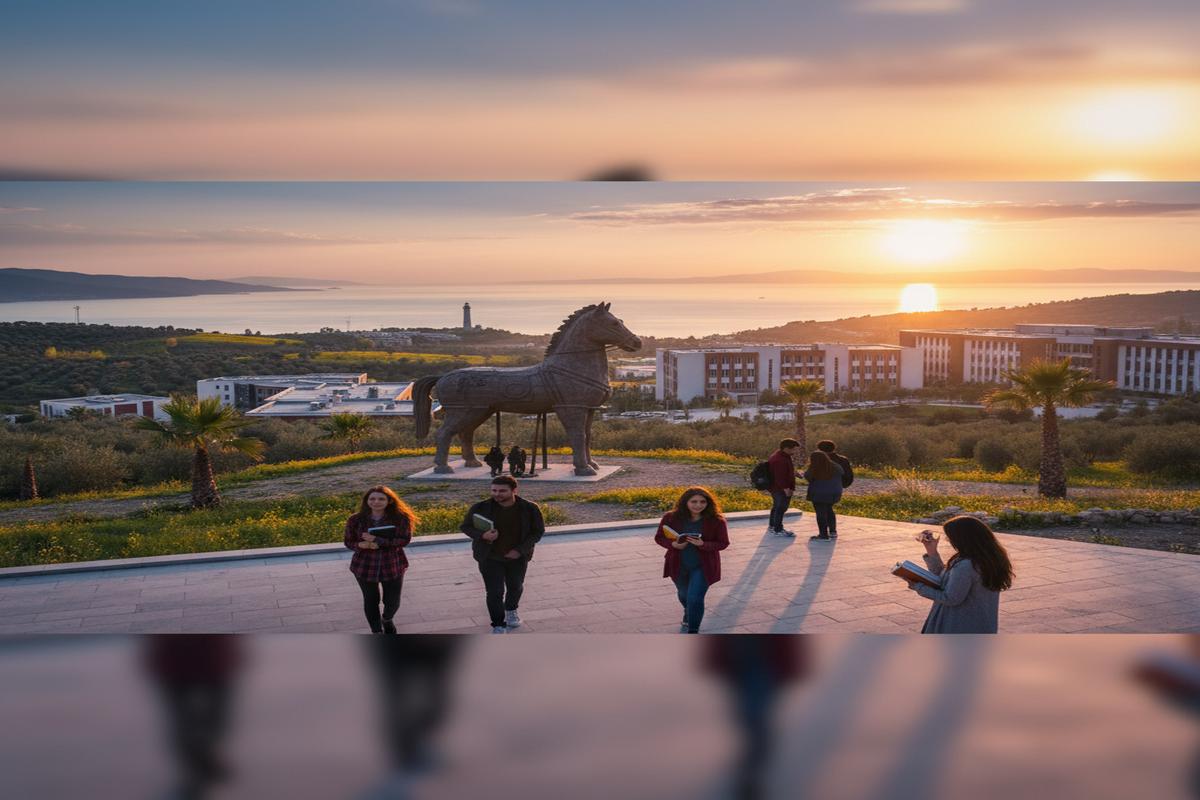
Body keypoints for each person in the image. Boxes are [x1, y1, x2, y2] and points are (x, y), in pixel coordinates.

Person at [460, 475, 545, 633]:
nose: (497, 494)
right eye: (494, 490)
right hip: (489, 557)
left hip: (517, 557)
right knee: (494, 591)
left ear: (514, 490)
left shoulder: (529, 508)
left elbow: (537, 532)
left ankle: (511, 610)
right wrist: (482, 535)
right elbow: (466, 526)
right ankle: (498, 624)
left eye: (502, 491)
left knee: (516, 587)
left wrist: (519, 550)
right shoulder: (480, 507)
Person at [907, 515, 1014, 633]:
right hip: (980, 624)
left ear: (962, 539)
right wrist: (931, 550)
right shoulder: (987, 558)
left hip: (958, 626)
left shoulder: (967, 565)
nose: (949, 541)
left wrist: (918, 586)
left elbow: (951, 598)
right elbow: (945, 579)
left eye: (950, 538)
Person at [654, 487, 731, 633]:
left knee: (695, 598)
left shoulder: (717, 521)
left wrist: (703, 544)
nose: (698, 505)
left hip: (703, 566)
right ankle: (688, 612)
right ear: (685, 502)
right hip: (678, 564)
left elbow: (723, 543)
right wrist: (673, 545)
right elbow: (659, 537)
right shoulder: (670, 517)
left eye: (703, 501)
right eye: (694, 501)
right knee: (684, 595)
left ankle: (693, 630)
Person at [344, 485, 417, 634]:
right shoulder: (355, 519)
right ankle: (376, 630)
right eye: (372, 498)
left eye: (381, 499)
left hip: (392, 565)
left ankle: (387, 618)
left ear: (389, 501)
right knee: (371, 600)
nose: (376, 502)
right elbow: (348, 541)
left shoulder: (400, 518)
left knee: (392, 601)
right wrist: (360, 544)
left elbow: (404, 541)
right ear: (366, 501)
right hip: (364, 566)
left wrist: (378, 539)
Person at [803, 450, 844, 541]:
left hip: (819, 494)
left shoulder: (815, 467)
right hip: (834, 492)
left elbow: (808, 477)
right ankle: (833, 532)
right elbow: (842, 474)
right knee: (829, 510)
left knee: (821, 513)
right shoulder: (836, 466)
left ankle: (823, 535)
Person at [766, 439, 801, 536]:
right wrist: (786, 489)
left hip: (777, 488)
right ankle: (778, 529)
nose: (795, 452)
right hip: (780, 489)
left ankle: (772, 526)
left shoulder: (783, 456)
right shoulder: (779, 459)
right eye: (793, 449)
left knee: (776, 507)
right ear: (786, 448)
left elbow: (786, 471)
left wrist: (796, 474)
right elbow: (779, 476)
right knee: (781, 508)